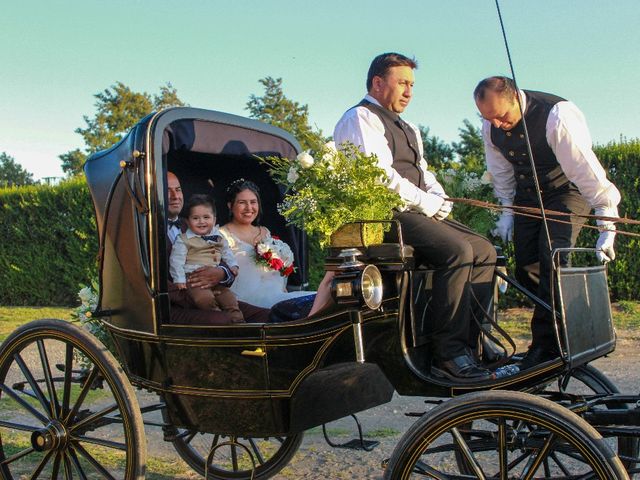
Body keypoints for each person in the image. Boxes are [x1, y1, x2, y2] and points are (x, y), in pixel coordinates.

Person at [333, 52, 497, 382]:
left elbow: (422, 171)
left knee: (485, 250)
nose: (409, 91)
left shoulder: (407, 126)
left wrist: (439, 198)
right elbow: (380, 179)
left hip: (415, 209)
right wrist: (426, 202)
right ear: (378, 83)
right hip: (384, 216)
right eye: (402, 83)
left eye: (412, 84)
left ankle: (472, 343)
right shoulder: (360, 119)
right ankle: (447, 356)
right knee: (458, 252)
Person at [473, 76, 621, 369]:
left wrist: (607, 222)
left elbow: (585, 172)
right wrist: (507, 212)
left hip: (566, 192)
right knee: (527, 268)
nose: (497, 124)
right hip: (527, 197)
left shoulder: (557, 116)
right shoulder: (491, 125)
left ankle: (548, 346)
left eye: (502, 116)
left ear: (515, 97)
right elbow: (501, 171)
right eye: (488, 118)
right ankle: (559, 334)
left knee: (553, 259)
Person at [166, 171, 269, 324]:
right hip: (178, 301)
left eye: (178, 189)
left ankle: (257, 346)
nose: (175, 196)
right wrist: (191, 290)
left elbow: (222, 253)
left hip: (215, 290)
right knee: (222, 319)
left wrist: (222, 273)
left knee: (265, 315)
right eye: (167, 190)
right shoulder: (147, 229)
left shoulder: (194, 225)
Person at [219, 179, 333, 313]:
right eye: (242, 203)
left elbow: (277, 271)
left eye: (253, 202)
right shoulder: (222, 235)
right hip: (248, 300)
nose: (249, 208)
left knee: (327, 297)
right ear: (230, 205)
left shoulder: (264, 232)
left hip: (276, 295)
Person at [169, 194, 243, 323]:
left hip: (217, 281)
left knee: (230, 299)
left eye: (206, 217)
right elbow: (176, 261)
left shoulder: (218, 236)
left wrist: (233, 266)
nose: (201, 221)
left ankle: (240, 324)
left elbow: (227, 252)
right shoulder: (183, 240)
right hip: (194, 279)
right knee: (204, 299)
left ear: (214, 220)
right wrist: (179, 279)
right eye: (195, 218)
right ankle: (221, 318)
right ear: (187, 221)